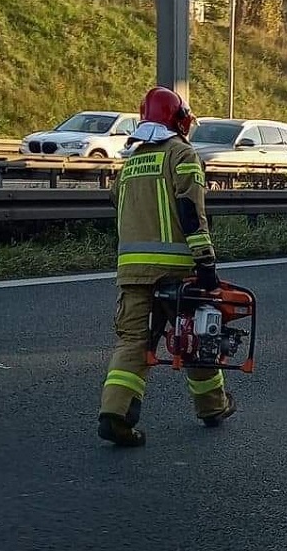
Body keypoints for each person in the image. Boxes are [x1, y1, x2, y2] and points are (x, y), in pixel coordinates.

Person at [98, 86, 236, 448]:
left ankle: (115, 414)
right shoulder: (181, 153)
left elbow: (116, 203)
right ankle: (212, 406)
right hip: (176, 272)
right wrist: (206, 262)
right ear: (178, 120)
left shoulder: (130, 163)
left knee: (133, 342)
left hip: (132, 272)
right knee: (198, 338)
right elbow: (191, 211)